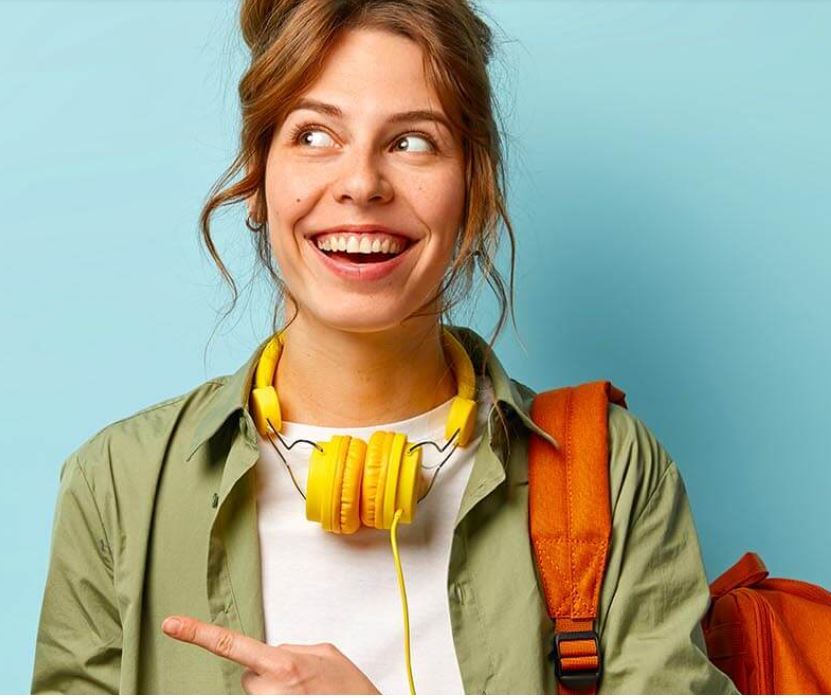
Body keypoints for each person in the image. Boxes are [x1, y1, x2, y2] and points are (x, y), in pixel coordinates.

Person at [31, 0, 740, 694]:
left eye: (412, 142)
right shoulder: (117, 485)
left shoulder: (611, 472)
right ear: (257, 177)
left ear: (474, 189)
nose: (362, 184)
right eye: (314, 135)